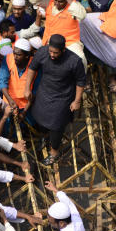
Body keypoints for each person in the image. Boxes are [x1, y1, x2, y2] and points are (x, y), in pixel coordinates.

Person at [24, 35, 86, 165]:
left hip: (63, 97)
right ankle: (45, 137)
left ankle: (54, 151)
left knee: (56, 125)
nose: (52, 55)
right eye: (50, 51)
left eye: (55, 53)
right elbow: (32, 68)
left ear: (63, 50)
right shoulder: (42, 52)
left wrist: (77, 100)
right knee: (39, 117)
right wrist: (27, 88)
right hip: (45, 92)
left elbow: (80, 81)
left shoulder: (74, 61)